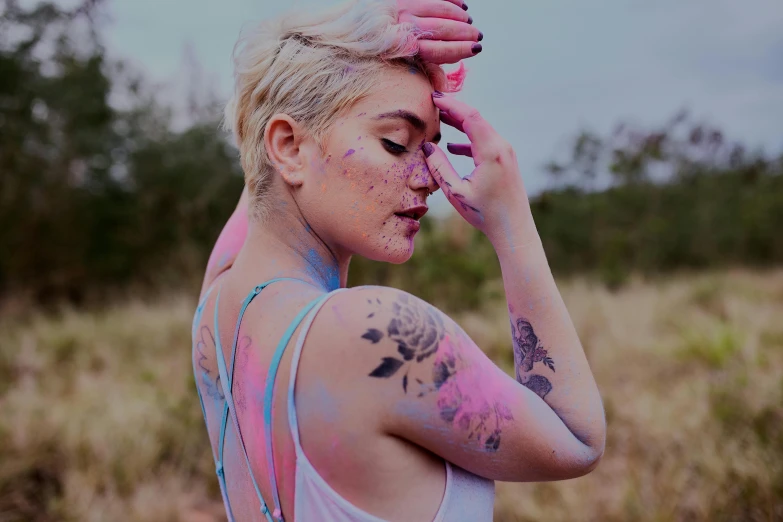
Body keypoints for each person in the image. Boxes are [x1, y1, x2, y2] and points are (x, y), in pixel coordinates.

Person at [191, 0, 606, 520]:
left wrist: (337, 33)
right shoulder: (371, 332)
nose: (430, 173)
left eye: (430, 145)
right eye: (396, 142)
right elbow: (577, 439)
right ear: (290, 146)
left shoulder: (215, 312)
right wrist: (511, 221)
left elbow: (262, 178)